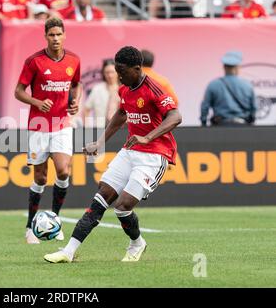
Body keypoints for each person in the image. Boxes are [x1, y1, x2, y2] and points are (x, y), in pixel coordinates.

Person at [44, 46, 182, 263]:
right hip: (130, 151)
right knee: (101, 197)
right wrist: (100, 142)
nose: (119, 76)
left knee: (123, 206)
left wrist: (148, 137)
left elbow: (175, 116)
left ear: (137, 68)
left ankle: (137, 243)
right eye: (117, 71)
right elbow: (121, 113)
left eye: (122, 71)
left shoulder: (155, 89)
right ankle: (68, 252)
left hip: (154, 155)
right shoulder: (125, 89)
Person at [15, 18, 82, 244]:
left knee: (63, 171)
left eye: (58, 34)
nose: (55, 38)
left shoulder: (73, 59)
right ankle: (30, 227)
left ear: (64, 35)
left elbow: (76, 84)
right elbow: (18, 91)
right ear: (45, 36)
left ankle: (55, 219)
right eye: (51, 35)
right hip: (39, 126)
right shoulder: (34, 61)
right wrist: (36, 102)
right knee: (41, 177)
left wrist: (76, 101)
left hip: (62, 124)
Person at [200, 51, 256, 126]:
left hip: (219, 127)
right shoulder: (247, 85)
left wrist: (203, 124)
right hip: (243, 126)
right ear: (237, 67)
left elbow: (205, 107)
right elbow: (254, 109)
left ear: (224, 67)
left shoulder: (213, 85)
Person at [84, 59, 120, 128]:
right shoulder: (97, 89)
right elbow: (86, 109)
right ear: (103, 73)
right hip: (100, 129)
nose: (110, 75)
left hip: (118, 130)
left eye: (112, 72)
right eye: (107, 72)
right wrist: (87, 127)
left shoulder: (124, 89)